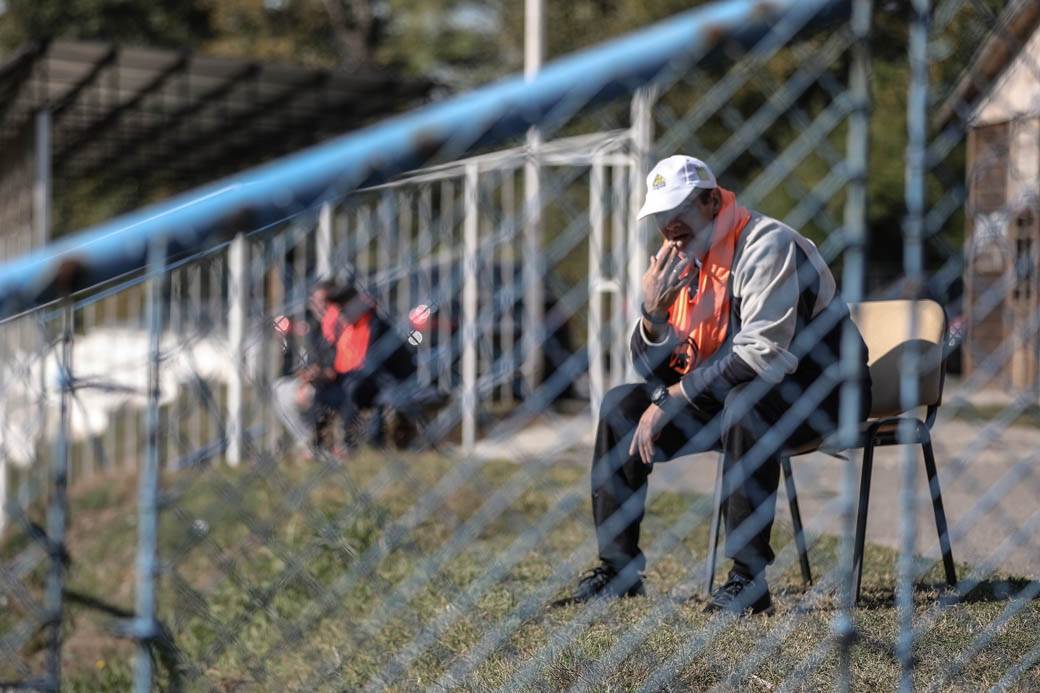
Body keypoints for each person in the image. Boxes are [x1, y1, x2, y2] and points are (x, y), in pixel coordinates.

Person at [554, 155, 872, 614]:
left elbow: (763, 354)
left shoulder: (767, 244)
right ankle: (618, 569)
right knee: (622, 406)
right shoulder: (685, 260)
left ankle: (748, 580)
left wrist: (675, 399)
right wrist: (653, 315)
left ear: (711, 200)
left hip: (827, 389)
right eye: (660, 216)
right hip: (743, 394)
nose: (669, 226)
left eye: (678, 211)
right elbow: (661, 372)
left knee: (748, 402)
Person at [273, 279, 416, 455]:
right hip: (353, 382)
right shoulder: (341, 328)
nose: (339, 310)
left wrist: (333, 373)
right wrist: (320, 373)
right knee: (322, 391)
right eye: (337, 306)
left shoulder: (375, 326)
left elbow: (368, 368)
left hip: (382, 384)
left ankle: (349, 444)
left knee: (352, 388)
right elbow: (339, 362)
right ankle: (319, 444)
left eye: (342, 305)